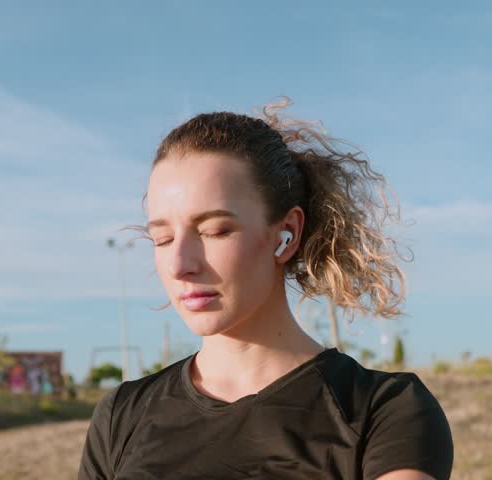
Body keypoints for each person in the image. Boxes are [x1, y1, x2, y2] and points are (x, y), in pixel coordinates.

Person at [77, 98, 453, 480]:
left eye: (216, 231)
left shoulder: (382, 410)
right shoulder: (121, 415)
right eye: (162, 238)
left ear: (286, 234)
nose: (179, 264)